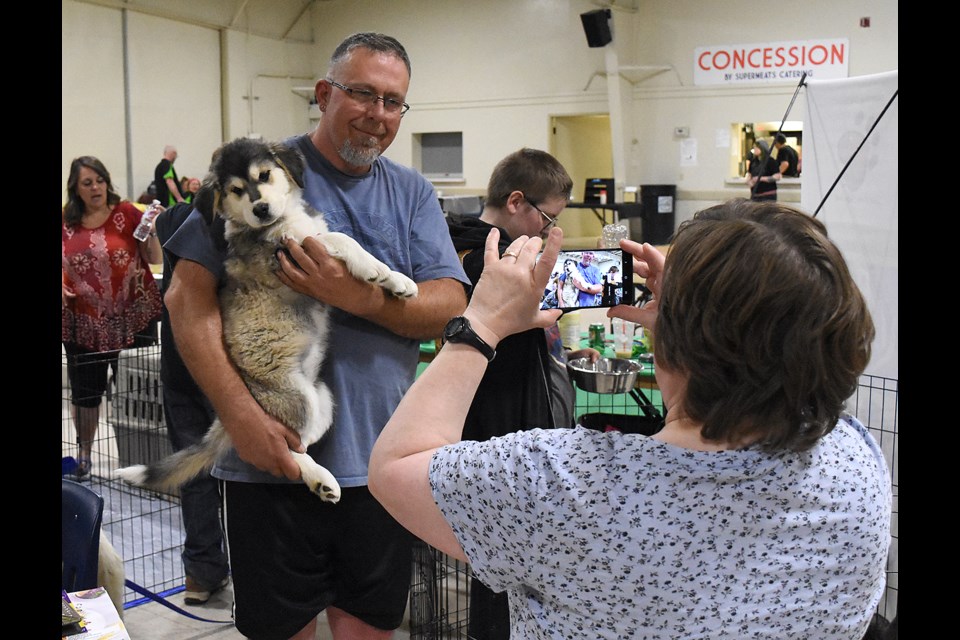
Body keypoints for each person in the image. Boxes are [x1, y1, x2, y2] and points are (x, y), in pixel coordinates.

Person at [369, 198, 891, 639]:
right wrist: (689, 323)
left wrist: (480, 323)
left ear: (677, 343)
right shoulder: (857, 464)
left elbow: (397, 468)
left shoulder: (563, 486)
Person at [163, 32, 469, 640]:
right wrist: (242, 420)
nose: (378, 116)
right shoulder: (256, 168)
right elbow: (186, 302)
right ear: (325, 94)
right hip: (272, 461)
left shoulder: (409, 192)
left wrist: (353, 295)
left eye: (393, 102)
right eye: (362, 94)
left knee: (369, 629)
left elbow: (449, 305)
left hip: (381, 463)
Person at [445, 147, 597, 640]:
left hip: (530, 419)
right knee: (500, 570)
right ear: (516, 201)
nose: (553, 232)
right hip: (493, 428)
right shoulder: (471, 254)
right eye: (548, 218)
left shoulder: (518, 255)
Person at [62, 156, 163, 479]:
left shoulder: (128, 213)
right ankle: (84, 456)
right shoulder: (66, 222)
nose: (96, 188)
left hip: (134, 318)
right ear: (75, 189)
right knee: (85, 393)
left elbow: (155, 257)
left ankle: (140, 460)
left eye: (100, 180)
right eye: (87, 183)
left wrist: (154, 231)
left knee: (137, 391)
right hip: (82, 323)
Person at [154, 202, 230, 605]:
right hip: (218, 360)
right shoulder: (227, 221)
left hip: (176, 360)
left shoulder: (171, 217)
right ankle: (252, 577)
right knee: (240, 473)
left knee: (193, 467)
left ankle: (200, 573)